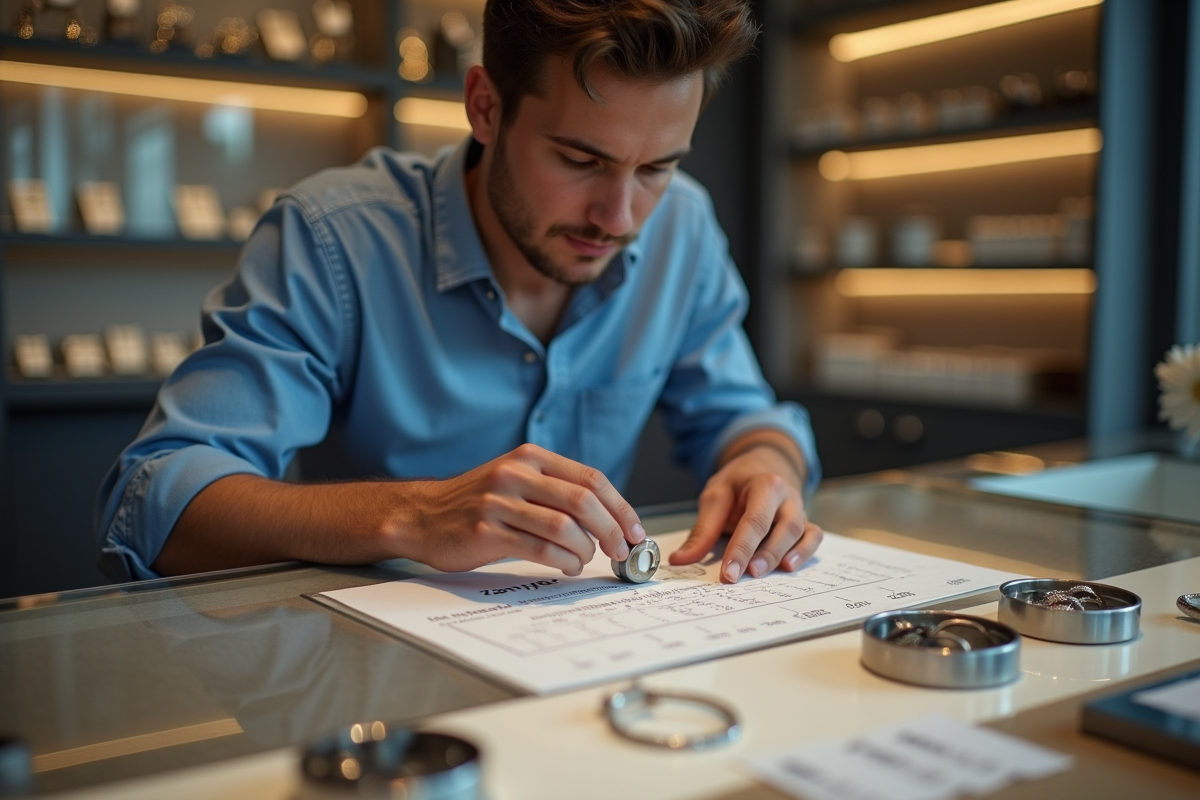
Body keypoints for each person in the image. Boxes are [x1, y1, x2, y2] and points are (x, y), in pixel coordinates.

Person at [95, 0, 823, 585]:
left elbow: (742, 418)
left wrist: (767, 466)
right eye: (580, 159)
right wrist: (415, 514)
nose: (620, 216)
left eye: (657, 167)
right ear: (485, 107)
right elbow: (156, 503)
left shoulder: (683, 228)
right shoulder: (334, 237)